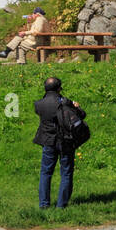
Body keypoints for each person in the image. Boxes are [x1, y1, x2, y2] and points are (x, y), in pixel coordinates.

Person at [32, 77, 85, 209]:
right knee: (66, 172)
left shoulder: (39, 104)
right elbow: (81, 115)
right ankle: (61, 205)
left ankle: (44, 204)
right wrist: (77, 107)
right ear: (58, 88)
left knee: (46, 172)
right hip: (66, 141)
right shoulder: (65, 102)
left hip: (48, 141)